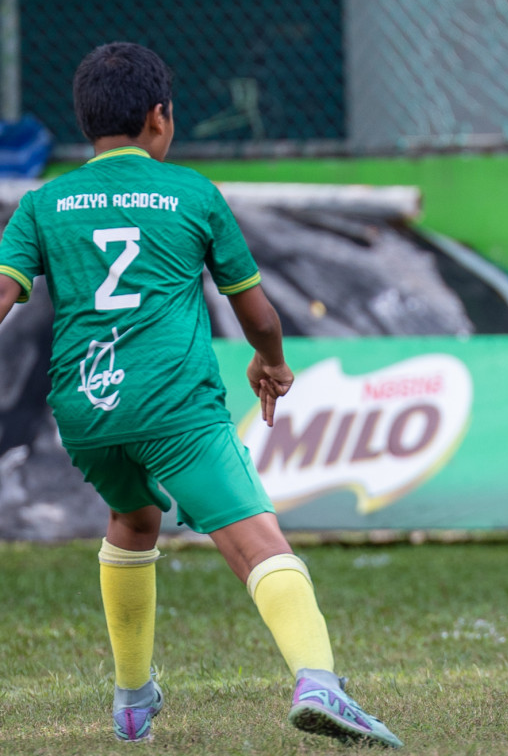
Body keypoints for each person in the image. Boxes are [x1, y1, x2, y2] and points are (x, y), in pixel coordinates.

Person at [0, 43, 402, 746]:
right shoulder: (190, 194)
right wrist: (270, 363)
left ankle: (132, 700)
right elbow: (260, 313)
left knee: (132, 519)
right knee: (256, 541)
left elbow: (3, 295)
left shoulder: (43, 203)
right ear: (160, 117)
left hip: (86, 408)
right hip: (173, 405)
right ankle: (319, 681)